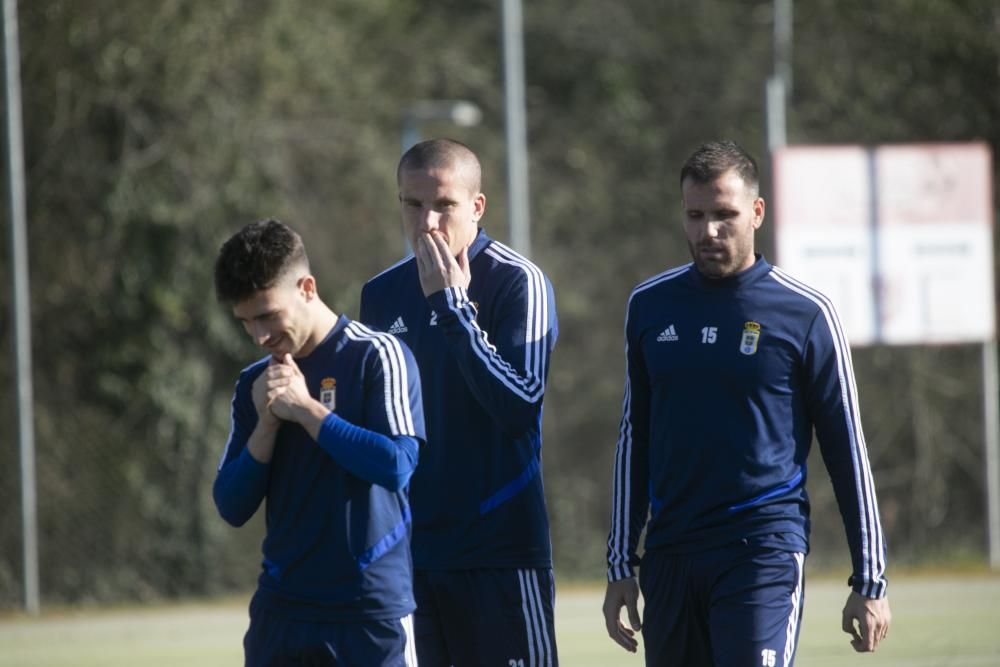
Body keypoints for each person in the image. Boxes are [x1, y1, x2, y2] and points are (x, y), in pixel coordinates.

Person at [602, 140, 891, 666]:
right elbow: (634, 439)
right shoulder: (649, 305)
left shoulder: (805, 313)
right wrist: (621, 563)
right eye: (695, 215)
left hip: (762, 550)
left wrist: (869, 578)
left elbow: (847, 450)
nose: (708, 230)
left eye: (724, 215)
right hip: (670, 555)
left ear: (756, 212)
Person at [360, 138, 559, 666]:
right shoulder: (380, 295)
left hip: (499, 554)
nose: (427, 222)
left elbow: (519, 406)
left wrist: (452, 310)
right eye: (412, 204)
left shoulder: (518, 282)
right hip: (410, 562)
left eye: (444, 205)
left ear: (476, 206)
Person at [213, 219, 425, 667]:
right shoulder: (255, 382)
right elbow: (230, 506)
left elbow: (397, 465)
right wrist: (267, 426)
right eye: (246, 322)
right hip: (282, 612)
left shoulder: (376, 355)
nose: (259, 336)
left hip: (368, 614)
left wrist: (308, 411)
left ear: (307, 287)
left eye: (268, 315)